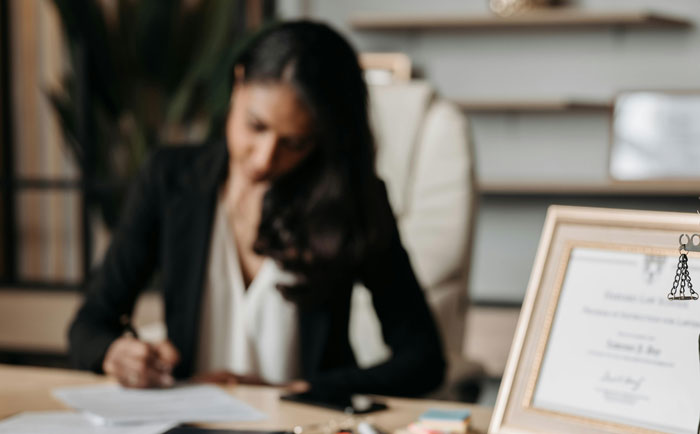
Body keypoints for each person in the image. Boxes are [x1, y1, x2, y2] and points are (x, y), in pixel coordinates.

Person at [68, 20, 445, 397]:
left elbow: (424, 359)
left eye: (295, 142)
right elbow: (88, 326)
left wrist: (305, 388)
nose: (265, 160)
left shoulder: (348, 200)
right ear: (238, 81)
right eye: (255, 126)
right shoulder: (169, 179)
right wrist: (116, 353)